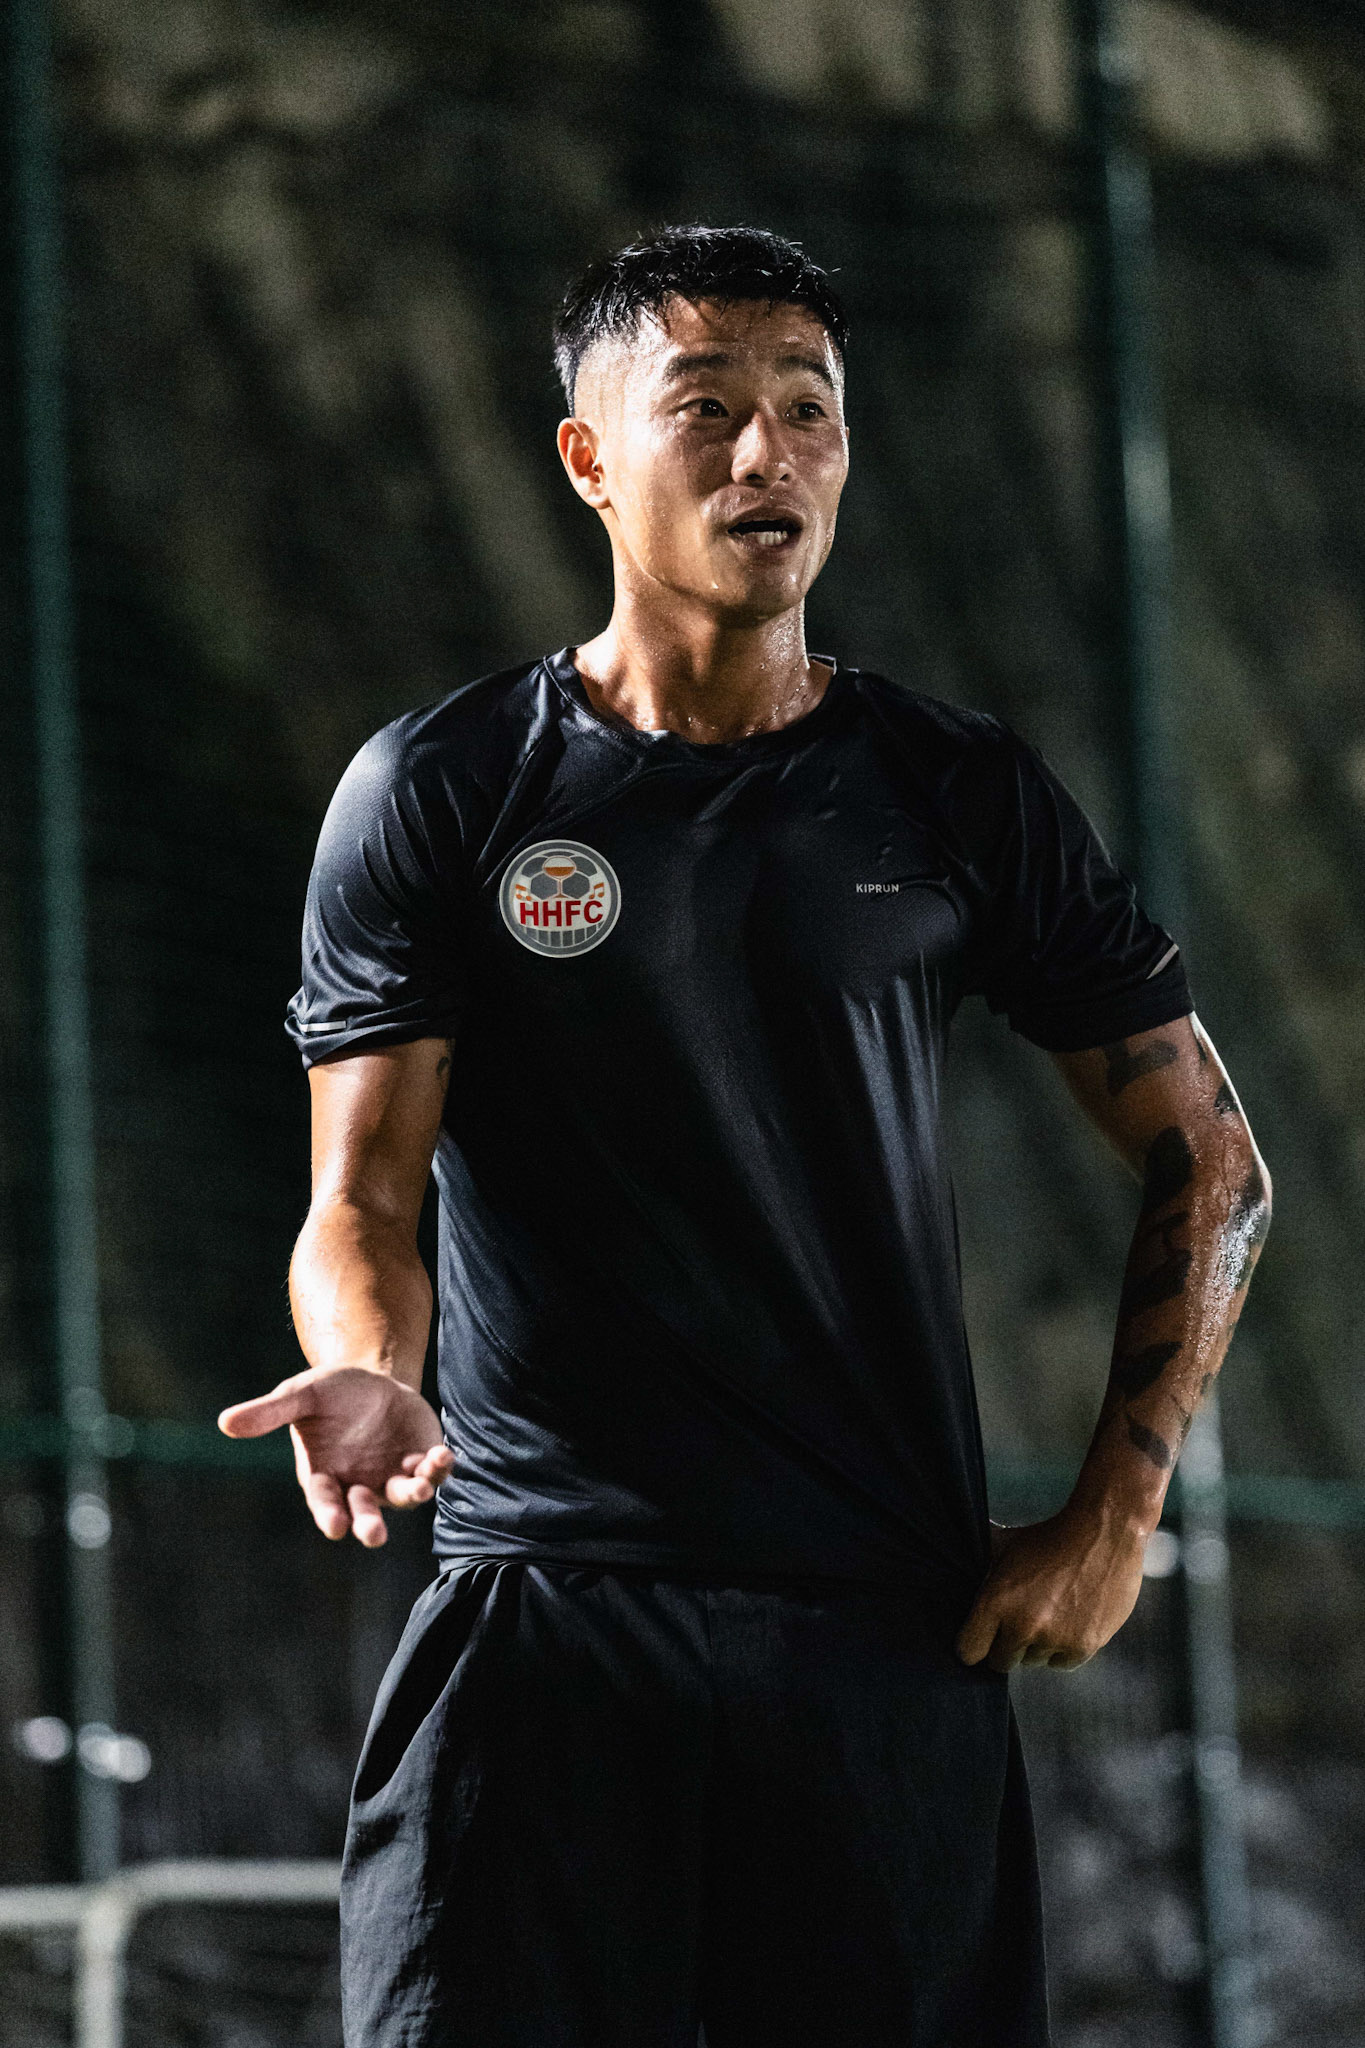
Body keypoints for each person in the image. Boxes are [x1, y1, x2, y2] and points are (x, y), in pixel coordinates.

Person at [219, 224, 1271, 2048]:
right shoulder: (448, 789)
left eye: (807, 412)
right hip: (543, 1622)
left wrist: (1117, 1514)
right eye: (703, 409)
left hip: (877, 1635)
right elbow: (360, 1198)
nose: (763, 454)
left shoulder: (955, 793)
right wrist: (370, 1369)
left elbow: (1215, 1164)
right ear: (587, 457)